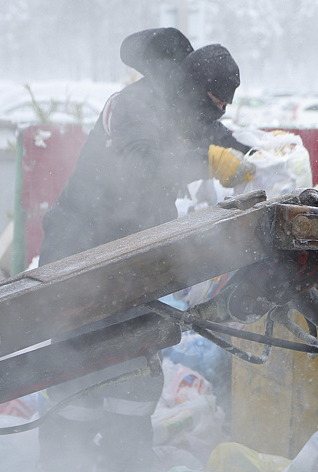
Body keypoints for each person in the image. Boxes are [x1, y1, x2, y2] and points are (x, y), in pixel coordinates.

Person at [37, 27, 255, 472]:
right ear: (192, 90)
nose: (216, 114)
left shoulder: (182, 108)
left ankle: (125, 458)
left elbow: (215, 134)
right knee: (78, 375)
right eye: (212, 103)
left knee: (133, 373)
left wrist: (259, 153)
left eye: (222, 108)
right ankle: (66, 459)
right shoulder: (134, 106)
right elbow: (136, 164)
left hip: (132, 262)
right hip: (81, 257)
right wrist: (207, 161)